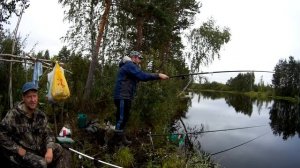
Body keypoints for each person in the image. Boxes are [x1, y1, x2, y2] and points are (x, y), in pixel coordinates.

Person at [0, 82, 65, 168]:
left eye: (34, 96)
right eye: (29, 97)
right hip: (21, 153)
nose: (33, 100)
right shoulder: (14, 115)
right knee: (42, 164)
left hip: (37, 148)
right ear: (23, 98)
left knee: (58, 149)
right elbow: (1, 134)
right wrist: (17, 148)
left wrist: (49, 149)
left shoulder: (40, 115)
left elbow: (48, 134)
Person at [113, 51, 169, 145]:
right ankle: (116, 142)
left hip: (125, 96)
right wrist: (158, 75)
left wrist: (153, 77)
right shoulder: (129, 65)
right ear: (134, 57)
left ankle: (121, 138)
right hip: (123, 96)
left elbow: (140, 77)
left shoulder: (129, 66)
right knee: (122, 119)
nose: (140, 60)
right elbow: (143, 76)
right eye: (139, 58)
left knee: (123, 118)